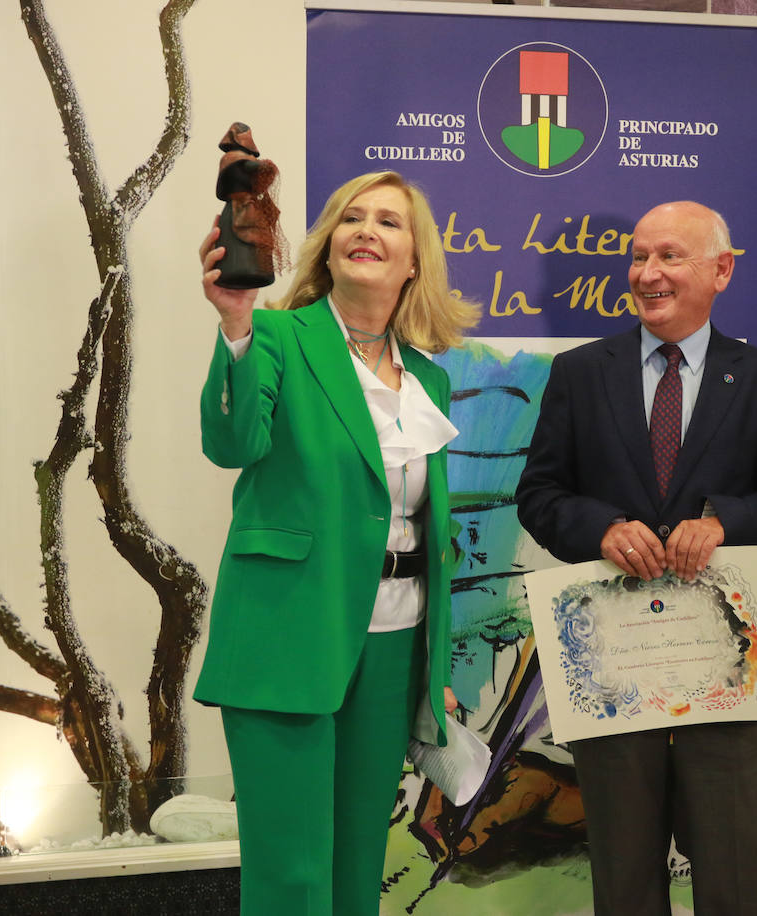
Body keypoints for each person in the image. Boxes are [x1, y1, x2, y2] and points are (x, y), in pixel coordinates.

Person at [516, 200, 757, 915]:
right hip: (615, 663)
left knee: (734, 867)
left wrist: (723, 522)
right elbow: (540, 494)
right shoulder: (581, 374)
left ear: (721, 270)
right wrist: (601, 529)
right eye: (639, 256)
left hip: (725, 664)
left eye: (669, 257)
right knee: (624, 866)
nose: (647, 273)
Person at [193, 170, 478, 915]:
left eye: (388, 221)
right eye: (352, 218)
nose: (367, 230)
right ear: (327, 246)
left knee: (357, 867)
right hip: (287, 633)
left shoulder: (427, 380)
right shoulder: (278, 336)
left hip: (391, 644)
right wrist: (233, 324)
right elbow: (232, 442)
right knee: (292, 874)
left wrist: (431, 663)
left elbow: (424, 536)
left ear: (415, 259)